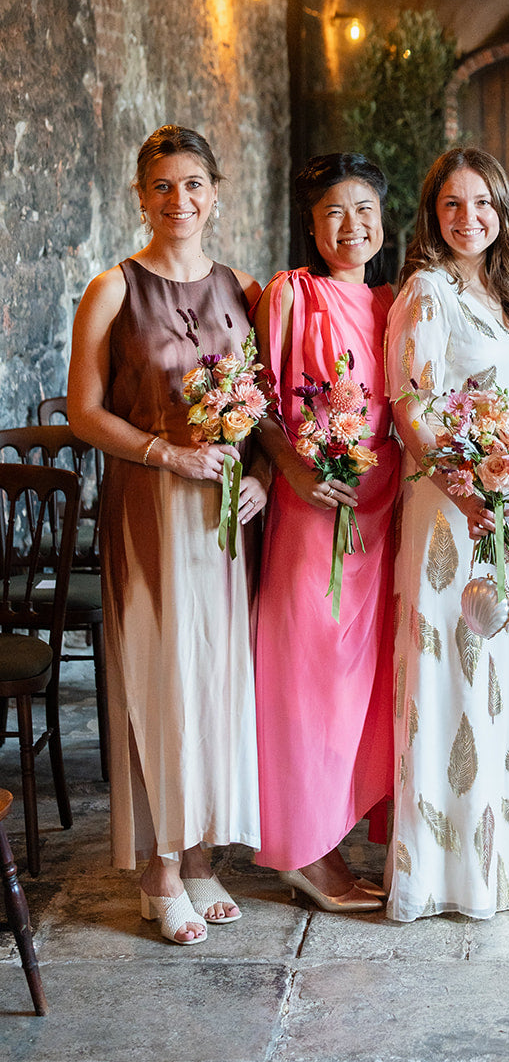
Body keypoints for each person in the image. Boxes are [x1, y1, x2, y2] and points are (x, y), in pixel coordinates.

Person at [68, 125, 267, 944]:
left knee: (217, 678)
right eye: (162, 186)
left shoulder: (245, 289)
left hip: (225, 520)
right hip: (149, 505)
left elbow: (266, 409)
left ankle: (202, 855)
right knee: (162, 675)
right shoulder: (111, 289)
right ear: (141, 197)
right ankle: (159, 869)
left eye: (193, 184)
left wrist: (260, 476)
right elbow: (84, 412)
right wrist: (165, 453)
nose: (178, 200)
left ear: (215, 193)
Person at [385, 147, 509, 920]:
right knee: (457, 671)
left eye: (483, 202)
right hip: (453, 513)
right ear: (433, 214)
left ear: (503, 211)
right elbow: (411, 410)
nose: (469, 218)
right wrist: (465, 489)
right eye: (453, 204)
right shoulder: (428, 292)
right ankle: (449, 871)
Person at [253, 154, 400, 912]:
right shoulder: (291, 293)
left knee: (359, 684)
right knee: (307, 673)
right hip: (312, 504)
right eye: (335, 211)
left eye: (365, 208)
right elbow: (258, 400)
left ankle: (335, 831)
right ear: (311, 224)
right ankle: (304, 851)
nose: (352, 225)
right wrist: (294, 469)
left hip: (380, 509)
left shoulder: (392, 302)